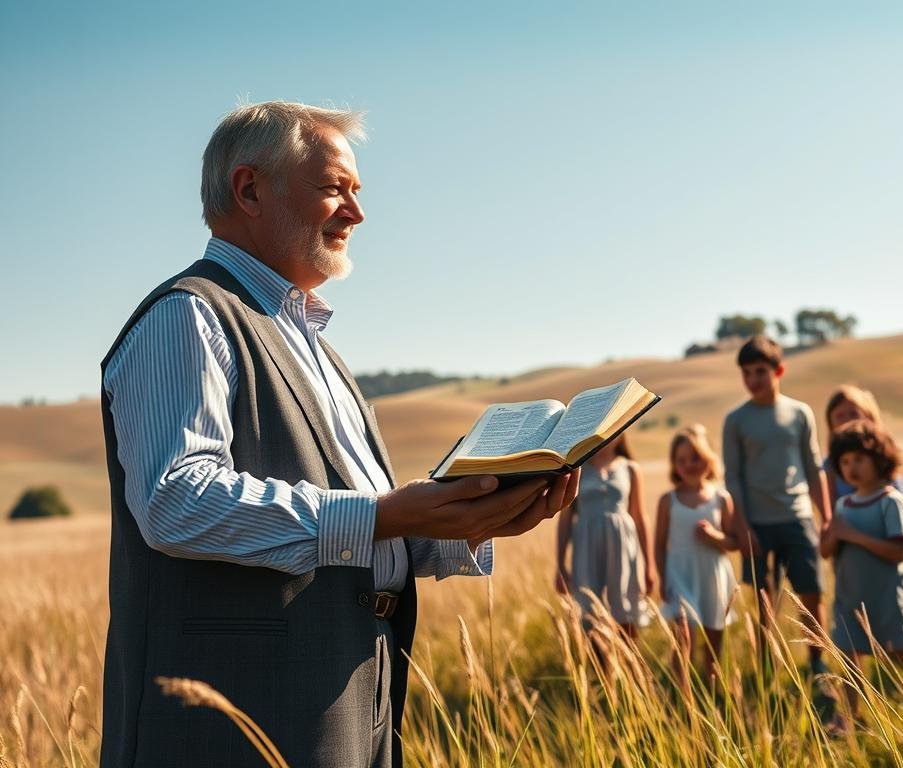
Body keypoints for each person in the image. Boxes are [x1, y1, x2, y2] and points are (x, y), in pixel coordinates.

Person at [99, 102, 579, 768]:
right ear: (249, 190)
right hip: (235, 716)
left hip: (353, 690)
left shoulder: (322, 352)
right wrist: (384, 514)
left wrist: (469, 519)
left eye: (356, 192)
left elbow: (367, 530)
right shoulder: (191, 317)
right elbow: (176, 499)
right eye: (334, 188)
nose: (356, 213)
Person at [722, 335, 832, 676]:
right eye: (746, 373)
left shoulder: (800, 413)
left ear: (778, 370)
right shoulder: (736, 420)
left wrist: (826, 517)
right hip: (756, 525)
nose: (753, 380)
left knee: (811, 594)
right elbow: (733, 478)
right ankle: (767, 666)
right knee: (765, 601)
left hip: (797, 518)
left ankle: (817, 666)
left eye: (760, 371)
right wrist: (742, 528)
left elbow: (813, 467)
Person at [821, 420, 903, 734]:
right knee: (849, 660)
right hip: (850, 599)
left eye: (859, 459)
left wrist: (853, 535)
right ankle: (848, 718)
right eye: (844, 462)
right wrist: (831, 536)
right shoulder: (842, 504)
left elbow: (899, 552)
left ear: (880, 459)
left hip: (888, 599)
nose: (851, 468)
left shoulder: (891, 501)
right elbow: (827, 550)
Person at [654, 425, 739, 692]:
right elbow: (658, 544)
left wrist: (714, 536)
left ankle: (713, 691)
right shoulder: (668, 501)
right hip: (680, 575)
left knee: (714, 641)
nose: (689, 464)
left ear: (709, 460)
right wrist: (662, 578)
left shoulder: (721, 498)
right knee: (683, 638)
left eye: (695, 457)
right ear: (674, 465)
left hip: (713, 576)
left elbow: (733, 542)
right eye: (681, 460)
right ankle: (682, 696)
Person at [554, 435, 655, 642]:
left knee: (625, 606)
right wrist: (560, 564)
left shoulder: (630, 469)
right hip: (586, 548)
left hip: (623, 549)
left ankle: (630, 670)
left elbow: (639, 516)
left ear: (621, 435)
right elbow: (565, 520)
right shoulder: (576, 469)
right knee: (591, 611)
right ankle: (603, 672)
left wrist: (649, 565)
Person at [821, 385, 903, 506]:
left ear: (870, 417)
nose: (847, 421)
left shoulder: (883, 458)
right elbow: (831, 513)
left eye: (853, 414)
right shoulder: (829, 465)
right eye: (839, 416)